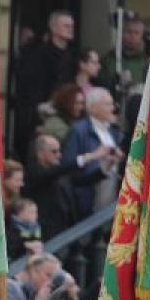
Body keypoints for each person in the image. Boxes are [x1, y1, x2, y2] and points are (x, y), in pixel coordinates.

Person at [15, 9, 77, 152]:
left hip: (66, 111)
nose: (70, 29)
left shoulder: (73, 56)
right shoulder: (38, 55)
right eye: (66, 26)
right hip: (42, 113)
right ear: (53, 28)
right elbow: (30, 87)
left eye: (72, 26)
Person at [60, 88, 121, 219]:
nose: (112, 108)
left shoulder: (113, 131)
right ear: (92, 108)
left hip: (112, 198)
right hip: (87, 199)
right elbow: (68, 165)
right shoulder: (78, 131)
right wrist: (94, 155)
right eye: (107, 104)